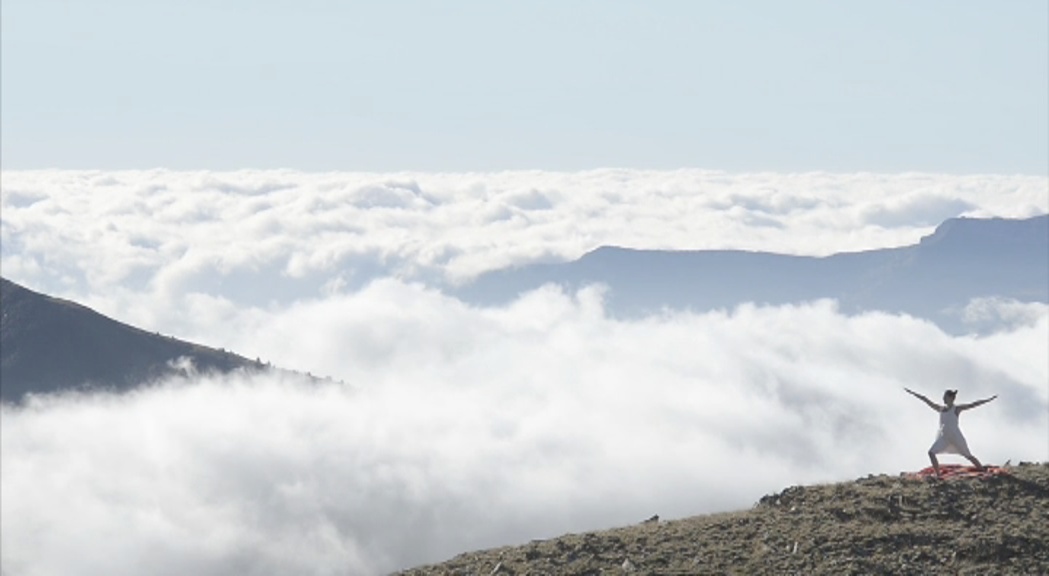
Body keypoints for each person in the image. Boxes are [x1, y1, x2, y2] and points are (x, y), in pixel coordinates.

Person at [904, 387, 996, 478]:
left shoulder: (956, 409)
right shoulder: (941, 409)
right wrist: (912, 392)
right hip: (944, 437)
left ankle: (983, 471)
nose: (943, 399)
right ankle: (938, 475)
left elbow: (973, 404)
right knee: (931, 453)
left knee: (968, 455)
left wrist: (989, 399)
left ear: (951, 398)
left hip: (956, 437)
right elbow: (926, 400)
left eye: (945, 397)